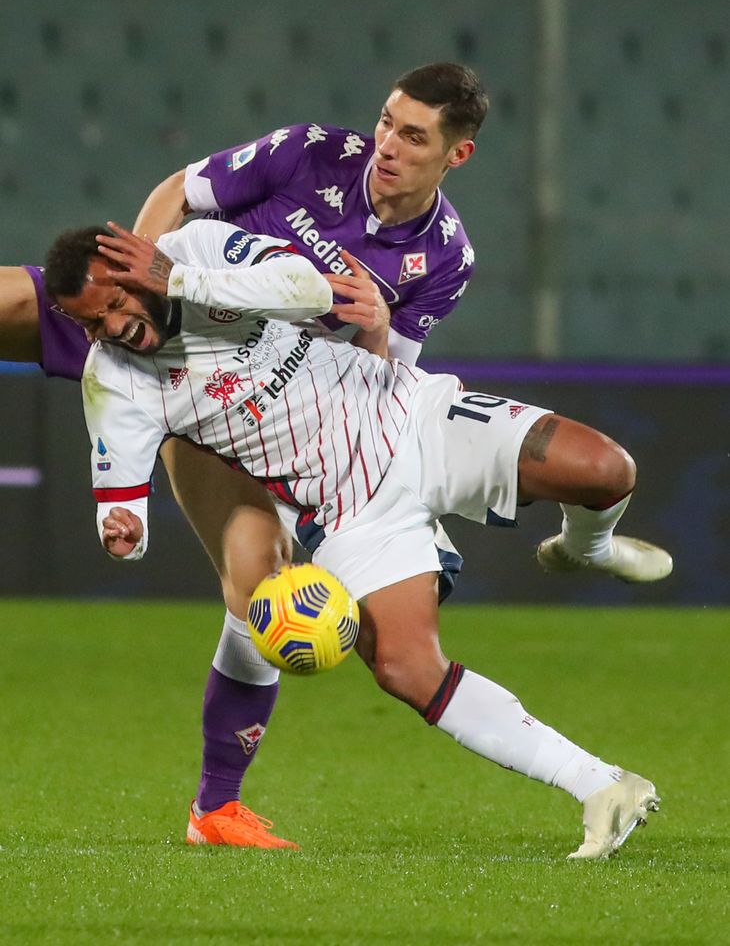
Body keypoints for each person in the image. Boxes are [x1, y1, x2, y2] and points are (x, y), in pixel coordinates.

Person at [44, 218, 670, 859]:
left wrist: (177, 277)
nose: (112, 329)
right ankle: (601, 786)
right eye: (90, 324)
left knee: (604, 470)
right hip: (350, 511)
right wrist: (124, 531)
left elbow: (309, 290)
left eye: (115, 305)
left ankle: (586, 548)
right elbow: (120, 505)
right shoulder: (112, 378)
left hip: (408, 415)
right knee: (405, 667)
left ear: (138, 269)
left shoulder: (197, 249)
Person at [1, 62, 489, 849]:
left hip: (243, 407)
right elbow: (181, 188)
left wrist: (367, 324)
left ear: (454, 155)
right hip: (151, 326)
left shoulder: (445, 261)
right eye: (387, 121)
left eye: (412, 135)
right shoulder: (310, 152)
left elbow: (388, 381)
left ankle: (215, 809)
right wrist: (148, 285)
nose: (386, 144)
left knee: (258, 589)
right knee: (11, 303)